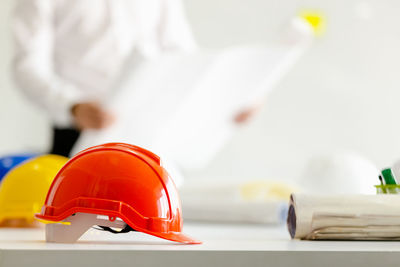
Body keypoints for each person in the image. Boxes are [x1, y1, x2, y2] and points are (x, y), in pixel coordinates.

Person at [12, 0, 259, 157]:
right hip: (78, 135)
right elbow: (27, 66)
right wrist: (72, 106)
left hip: (149, 134)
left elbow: (182, 56)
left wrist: (230, 98)